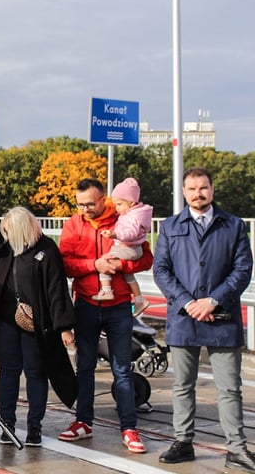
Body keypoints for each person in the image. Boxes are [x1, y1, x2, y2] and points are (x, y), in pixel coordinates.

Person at [154, 167, 255, 472]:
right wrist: (188, 302)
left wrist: (212, 300)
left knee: (230, 388)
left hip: (222, 318)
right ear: (184, 192)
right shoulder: (171, 226)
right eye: (192, 189)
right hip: (184, 319)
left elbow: (242, 270)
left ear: (212, 189)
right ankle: (183, 442)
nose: (198, 194)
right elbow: (161, 270)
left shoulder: (234, 226)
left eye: (203, 188)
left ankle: (237, 450)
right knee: (183, 385)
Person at [58, 178, 153, 454]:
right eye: (80, 204)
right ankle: (83, 422)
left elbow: (147, 258)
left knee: (122, 368)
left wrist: (118, 264)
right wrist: (94, 265)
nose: (85, 209)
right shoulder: (73, 224)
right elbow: (64, 264)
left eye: (90, 203)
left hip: (119, 306)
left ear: (103, 200)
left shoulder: (124, 219)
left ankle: (129, 428)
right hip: (86, 304)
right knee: (84, 367)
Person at [0, 207, 77, 446]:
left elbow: (57, 289)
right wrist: (1, 232)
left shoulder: (46, 248)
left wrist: (64, 327)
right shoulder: (3, 247)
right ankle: (6, 423)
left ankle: (34, 425)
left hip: (36, 323)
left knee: (36, 372)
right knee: (9, 371)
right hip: (5, 321)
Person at [91, 177, 153, 317]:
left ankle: (107, 290)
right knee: (128, 275)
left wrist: (115, 234)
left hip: (128, 248)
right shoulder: (135, 214)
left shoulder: (132, 216)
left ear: (131, 202)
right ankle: (139, 299)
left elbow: (130, 233)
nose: (116, 208)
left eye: (119, 204)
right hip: (132, 249)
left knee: (104, 261)